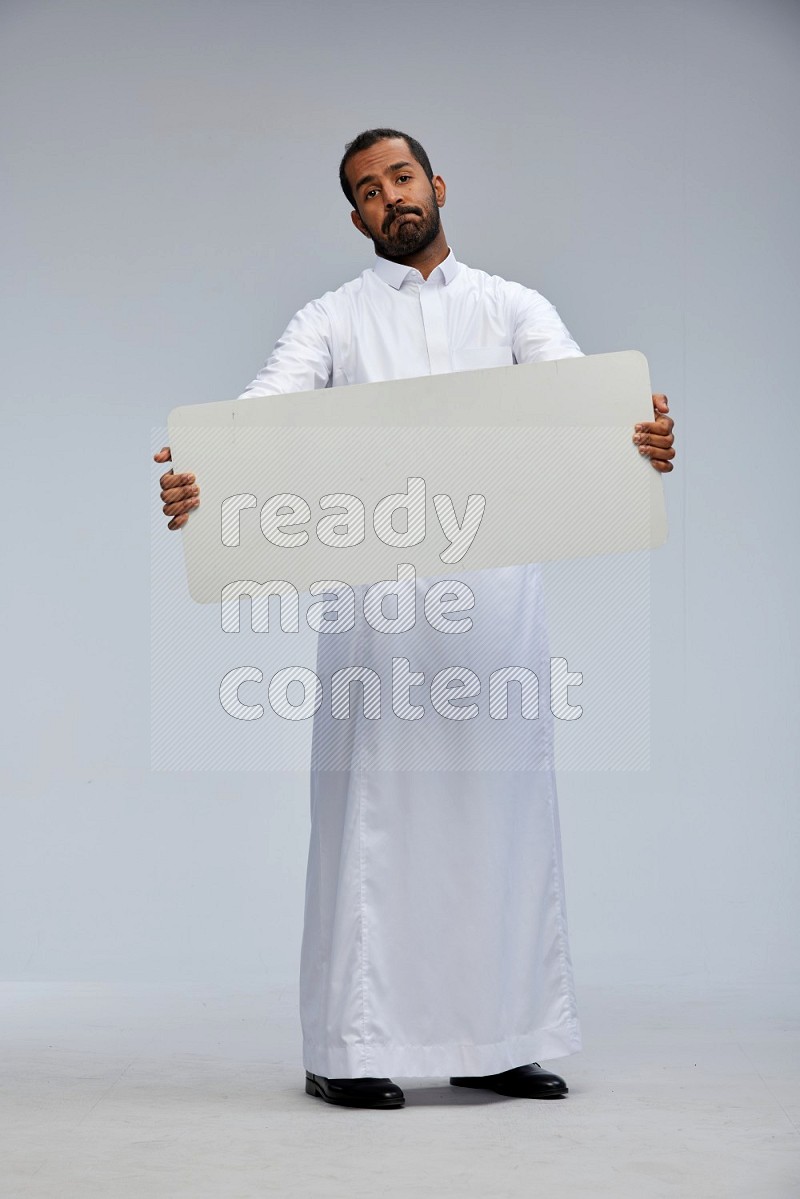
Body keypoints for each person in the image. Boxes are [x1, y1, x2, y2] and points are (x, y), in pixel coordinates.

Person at [154, 128, 675, 1111]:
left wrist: (637, 434)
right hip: (378, 620)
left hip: (493, 624)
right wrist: (201, 480)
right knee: (369, 829)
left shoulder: (509, 306)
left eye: (398, 175)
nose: (386, 195)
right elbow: (259, 420)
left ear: (435, 185)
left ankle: (498, 1036)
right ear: (354, 217)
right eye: (364, 189)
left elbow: (582, 401)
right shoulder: (333, 321)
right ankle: (345, 1049)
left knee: (499, 818)